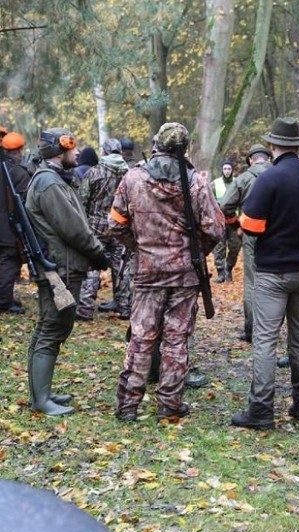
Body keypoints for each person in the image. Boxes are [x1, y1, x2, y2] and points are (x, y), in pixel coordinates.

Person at [109, 122, 224, 421]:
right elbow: (215, 229)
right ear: (185, 148)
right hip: (185, 275)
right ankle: (169, 405)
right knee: (176, 339)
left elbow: (114, 224)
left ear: (157, 143)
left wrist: (139, 247)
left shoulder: (133, 178)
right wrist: (194, 251)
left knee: (141, 337)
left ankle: (128, 406)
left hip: (148, 273)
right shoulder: (197, 182)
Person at [231, 117, 299, 430]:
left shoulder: (269, 178)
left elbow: (250, 226)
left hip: (272, 273)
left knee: (265, 341)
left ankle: (261, 410)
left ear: (273, 145)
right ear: (297, 146)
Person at [26, 128, 109, 416]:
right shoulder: (49, 184)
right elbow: (73, 228)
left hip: (60, 266)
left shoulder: (54, 180)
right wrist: (98, 253)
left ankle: (42, 393)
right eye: (72, 148)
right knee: (53, 326)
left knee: (52, 326)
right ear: (60, 151)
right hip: (58, 270)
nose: (77, 153)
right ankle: (41, 400)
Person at [219, 144, 272, 342]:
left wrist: (236, 226)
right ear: (268, 158)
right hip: (278, 236)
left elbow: (225, 205)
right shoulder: (279, 175)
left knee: (252, 282)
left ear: (250, 160)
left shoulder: (243, 179)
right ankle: (271, 329)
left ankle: (251, 330)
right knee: (277, 282)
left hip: (251, 236)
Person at [76, 138, 131, 321]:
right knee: (121, 266)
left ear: (105, 152)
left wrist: (83, 222)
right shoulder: (130, 173)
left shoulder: (95, 172)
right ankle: (125, 308)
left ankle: (85, 309)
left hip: (96, 226)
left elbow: (83, 199)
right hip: (120, 225)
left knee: (92, 265)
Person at [1, 132, 31, 315]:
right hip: (8, 228)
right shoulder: (18, 172)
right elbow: (25, 203)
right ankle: (4, 302)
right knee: (9, 262)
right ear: (19, 151)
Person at [211, 159, 241, 283]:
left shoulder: (238, 182)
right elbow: (210, 201)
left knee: (235, 246)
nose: (227, 171)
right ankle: (220, 273)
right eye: (225, 169)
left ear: (232, 170)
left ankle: (229, 268)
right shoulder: (215, 184)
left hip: (234, 220)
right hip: (219, 220)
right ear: (222, 170)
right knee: (219, 247)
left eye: (229, 169)